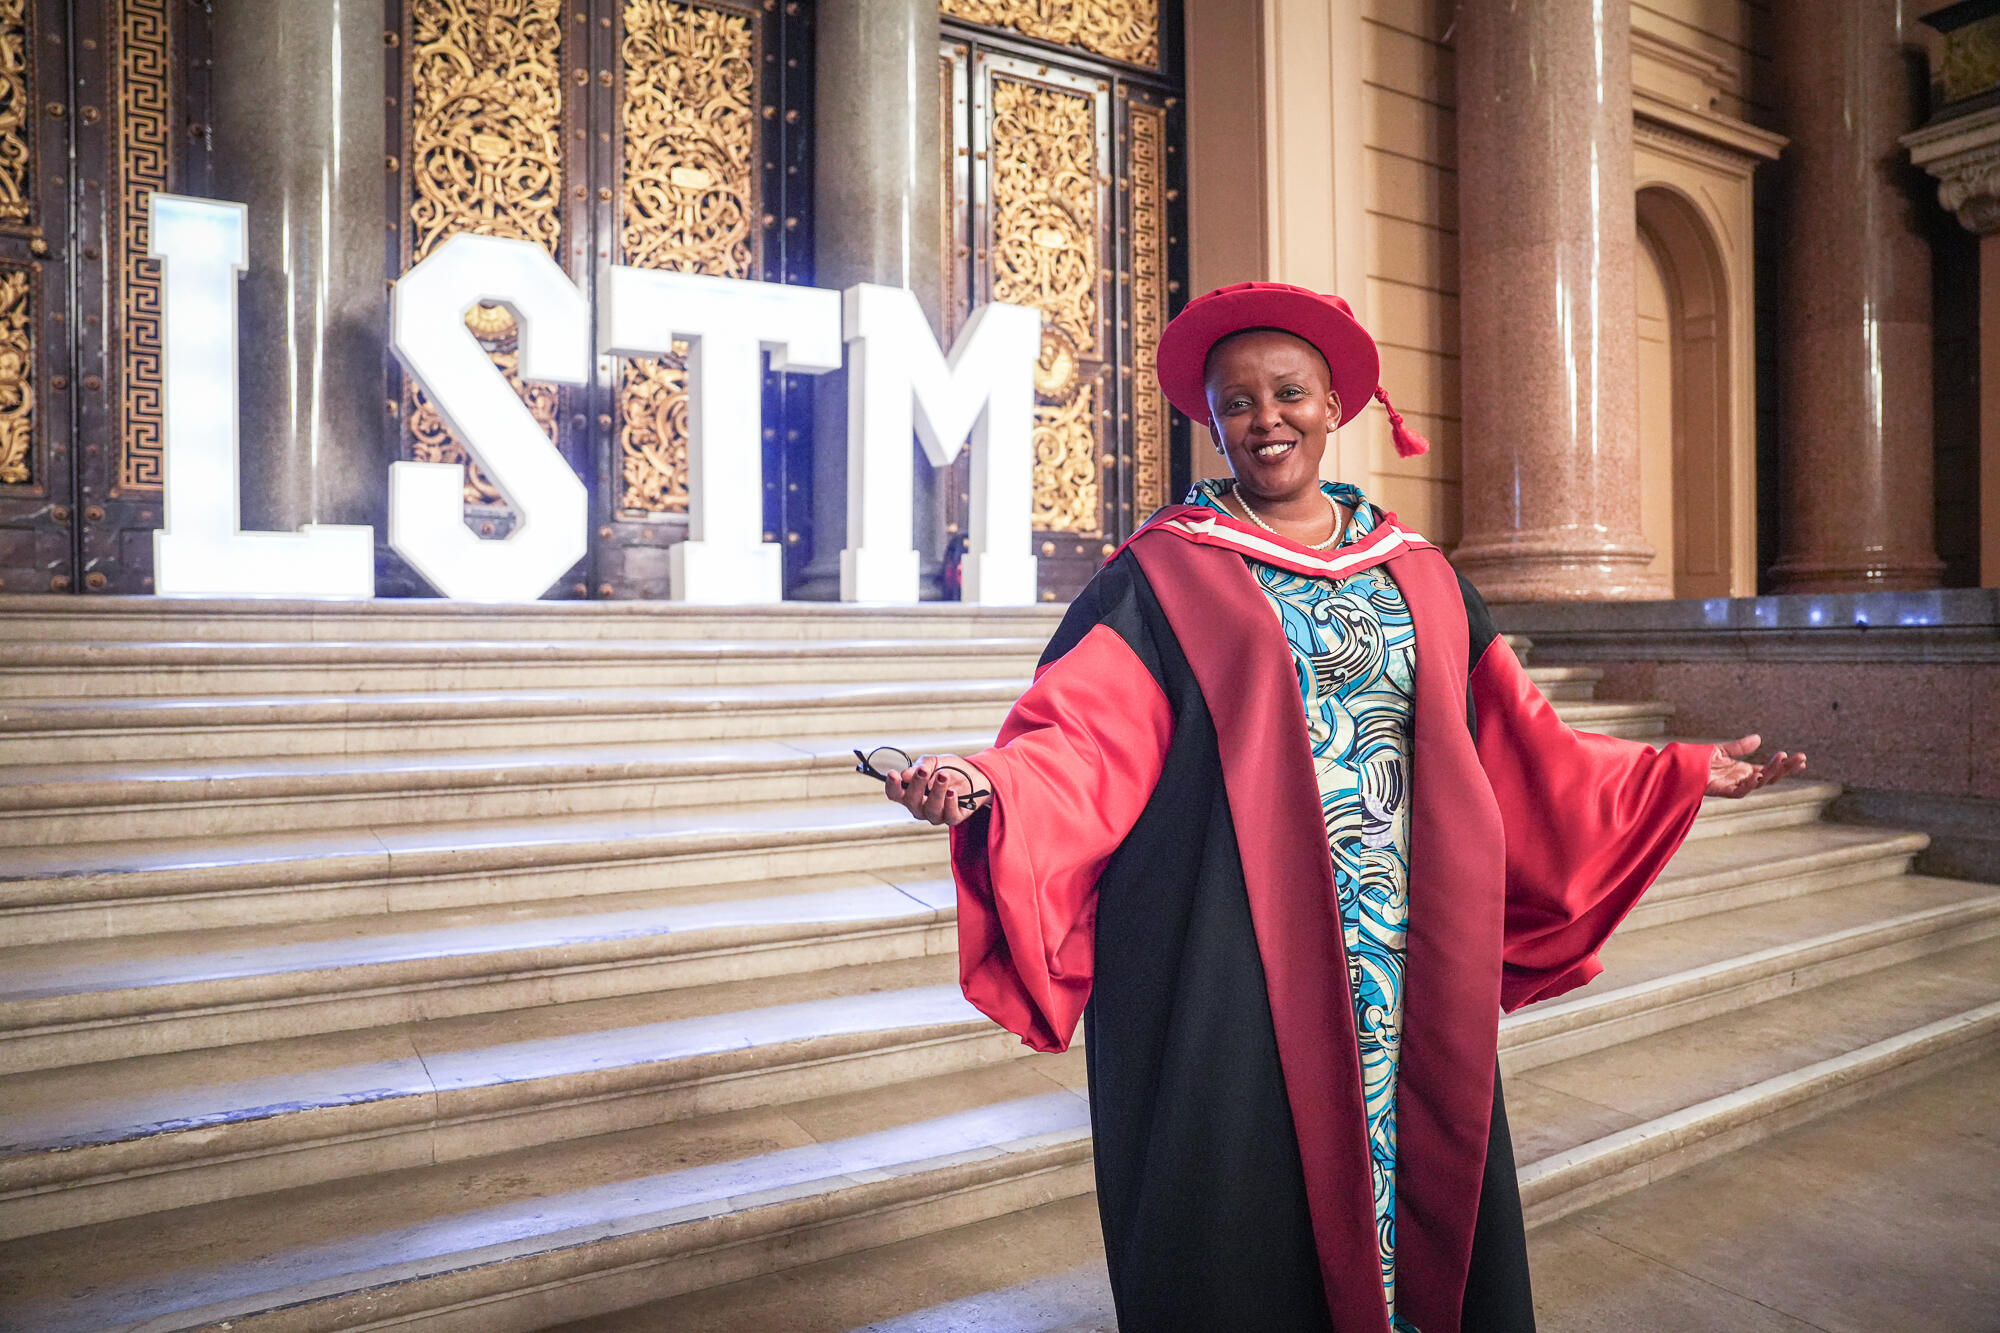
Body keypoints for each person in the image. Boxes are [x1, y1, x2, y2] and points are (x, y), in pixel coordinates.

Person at [876, 282, 1804, 1333]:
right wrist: (980, 782)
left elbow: (1511, 741)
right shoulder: (1164, 574)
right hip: (1236, 948)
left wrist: (1673, 774)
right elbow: (1081, 737)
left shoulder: (1419, 577)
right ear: (1212, 421)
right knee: (1242, 1200)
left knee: (1418, 1182)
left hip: (1401, 949)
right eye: (1237, 403)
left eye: (1286, 394)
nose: (1263, 418)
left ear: (1334, 405)